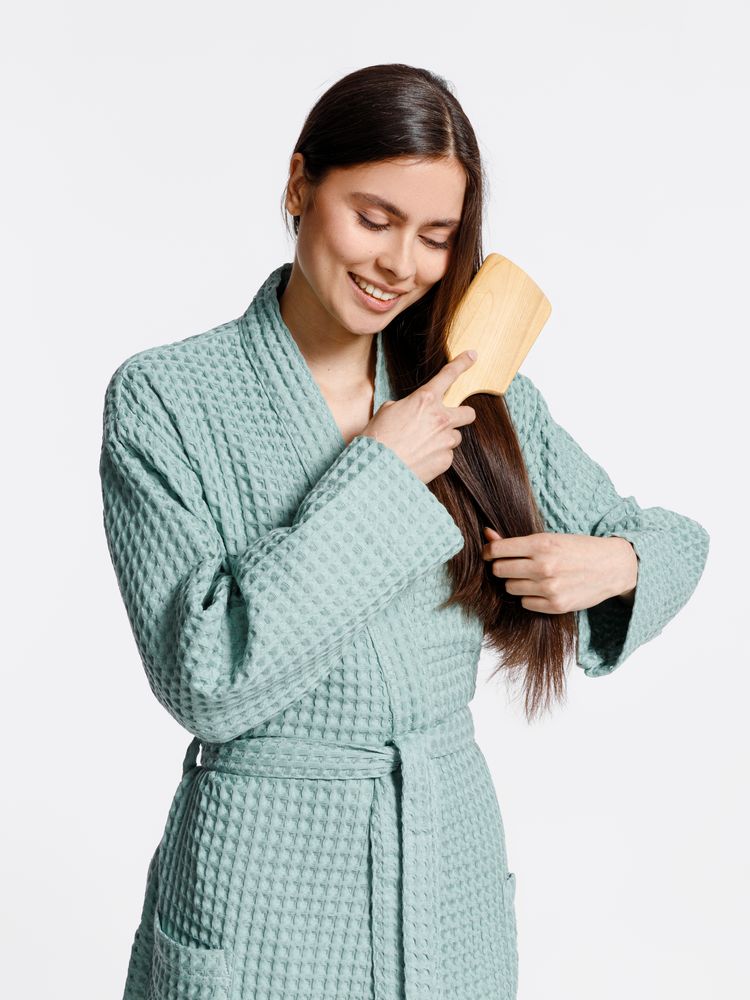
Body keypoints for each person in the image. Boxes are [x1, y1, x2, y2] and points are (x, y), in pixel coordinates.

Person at [99, 64, 710, 1000]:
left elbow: (678, 543)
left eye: (435, 237)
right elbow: (203, 678)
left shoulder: (471, 391)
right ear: (300, 185)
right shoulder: (165, 399)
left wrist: (616, 562)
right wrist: (381, 472)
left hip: (446, 870)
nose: (399, 264)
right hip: (258, 882)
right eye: (373, 218)